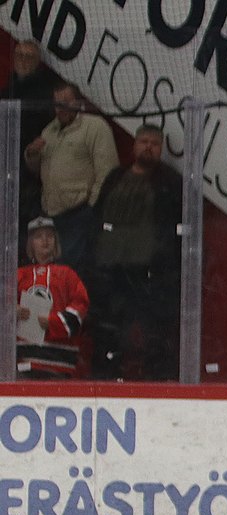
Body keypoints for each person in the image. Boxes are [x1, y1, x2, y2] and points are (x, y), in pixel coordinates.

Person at [92, 124, 183, 382]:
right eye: (143, 141)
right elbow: (98, 218)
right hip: (112, 270)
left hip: (150, 274)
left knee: (155, 332)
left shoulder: (170, 182)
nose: (148, 147)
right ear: (134, 145)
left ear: (161, 149)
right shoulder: (115, 178)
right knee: (109, 330)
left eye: (154, 143)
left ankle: (158, 382)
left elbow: (177, 228)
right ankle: (104, 379)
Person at [23, 82, 118, 269]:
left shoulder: (95, 127)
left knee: (71, 270)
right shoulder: (48, 131)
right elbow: (38, 171)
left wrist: (91, 208)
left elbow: (108, 173)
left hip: (78, 215)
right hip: (50, 215)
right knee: (51, 270)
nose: (61, 108)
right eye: (57, 103)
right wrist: (32, 154)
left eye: (66, 102)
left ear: (78, 102)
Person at [15, 215, 88, 378]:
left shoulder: (68, 275)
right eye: (38, 237)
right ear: (30, 244)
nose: (45, 241)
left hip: (60, 363)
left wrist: (54, 322)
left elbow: (80, 306)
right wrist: (13, 311)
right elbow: (4, 303)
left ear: (56, 241)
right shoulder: (19, 275)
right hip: (25, 362)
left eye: (49, 236)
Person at [4, 40, 59, 236]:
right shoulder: (6, 91)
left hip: (29, 174)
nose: (23, 60)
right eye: (19, 55)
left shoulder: (45, 94)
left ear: (38, 62)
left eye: (29, 56)